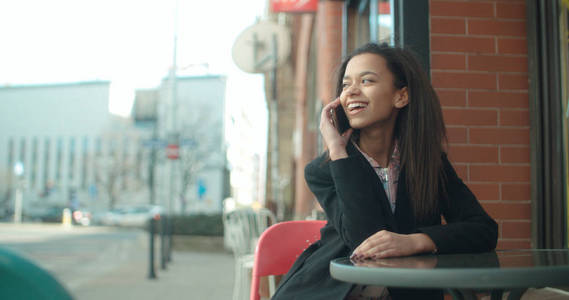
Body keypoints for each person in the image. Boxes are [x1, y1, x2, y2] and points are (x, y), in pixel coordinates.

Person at [271, 43, 498, 300]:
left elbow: (484, 229)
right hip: (333, 290)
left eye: (366, 80)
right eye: (346, 85)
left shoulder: (428, 163)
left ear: (401, 96)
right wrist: (337, 150)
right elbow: (364, 240)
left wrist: (417, 241)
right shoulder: (324, 170)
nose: (352, 92)